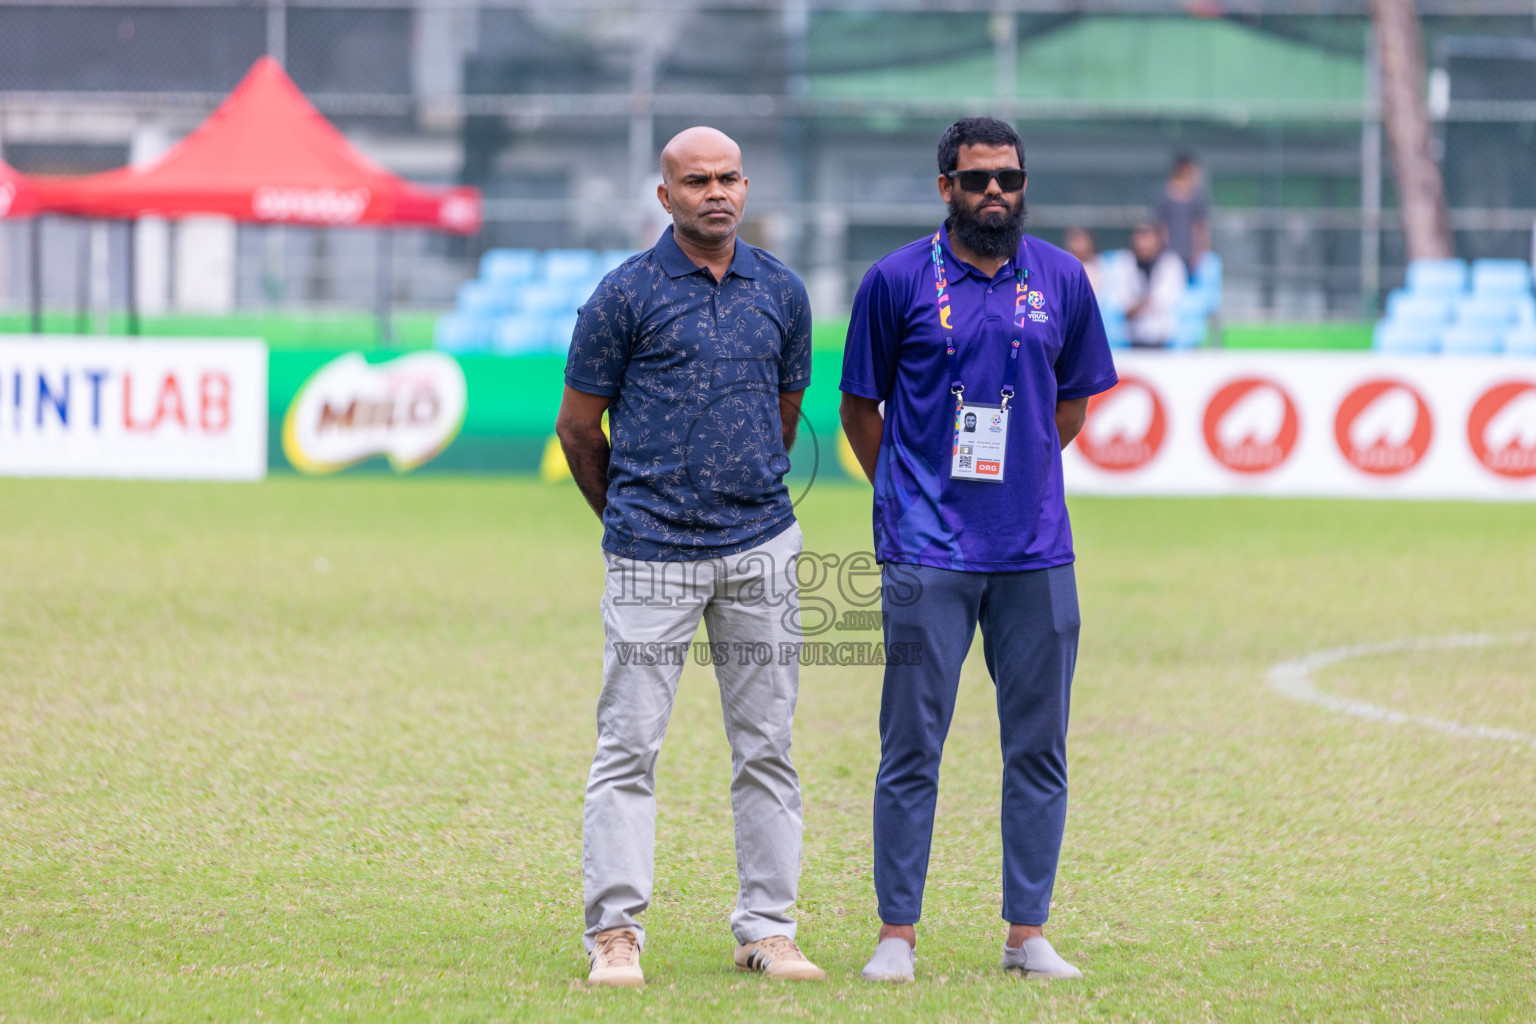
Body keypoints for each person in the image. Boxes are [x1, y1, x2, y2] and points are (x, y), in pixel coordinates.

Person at [839, 117, 1118, 983]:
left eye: (1008, 177)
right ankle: (898, 933)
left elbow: (1073, 404)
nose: (994, 192)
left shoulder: (1064, 280)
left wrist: (1023, 476)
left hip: (1037, 553)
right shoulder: (894, 281)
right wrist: (910, 492)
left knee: (1038, 746)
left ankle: (1027, 933)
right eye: (975, 179)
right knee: (910, 745)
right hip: (926, 553)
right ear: (945, 189)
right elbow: (859, 408)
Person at [555, 126, 825, 988]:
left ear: (747, 188)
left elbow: (786, 417)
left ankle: (768, 930)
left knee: (768, 748)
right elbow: (577, 427)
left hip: (761, 551)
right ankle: (615, 933)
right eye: (697, 180)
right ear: (664, 197)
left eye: (731, 177)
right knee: (629, 747)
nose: (717, 191)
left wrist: (738, 497)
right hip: (651, 555)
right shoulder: (623, 296)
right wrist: (633, 516)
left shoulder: (782, 291)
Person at [1115, 221, 1186, 348]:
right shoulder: (1125, 262)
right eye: (1140, 237)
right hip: (1132, 337)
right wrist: (1136, 307)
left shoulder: (1171, 263)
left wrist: (1137, 305)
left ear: (1158, 240)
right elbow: (1122, 302)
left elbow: (1163, 300)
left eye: (1147, 237)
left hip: (1163, 338)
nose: (1143, 243)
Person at [1155, 154, 1210, 279]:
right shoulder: (1164, 195)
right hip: (1169, 252)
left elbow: (1201, 227)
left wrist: (1201, 252)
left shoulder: (1197, 196)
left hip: (1191, 254)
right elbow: (1161, 226)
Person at [1063, 227, 1106, 298]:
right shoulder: (1064, 268)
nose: (1078, 246)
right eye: (1074, 240)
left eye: (1080, 240)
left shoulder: (1105, 264)